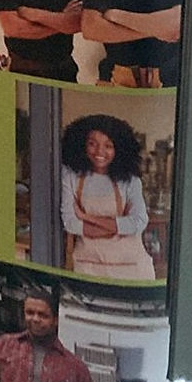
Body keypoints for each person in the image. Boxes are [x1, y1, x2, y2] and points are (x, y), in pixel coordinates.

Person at [61, 114, 155, 279]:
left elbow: (138, 222)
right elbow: (70, 223)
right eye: (92, 144)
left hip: (131, 269)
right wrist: (118, 228)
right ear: (81, 144)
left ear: (120, 149)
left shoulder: (131, 181)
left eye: (108, 146)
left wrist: (87, 217)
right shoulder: (71, 177)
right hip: (87, 267)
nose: (99, 151)